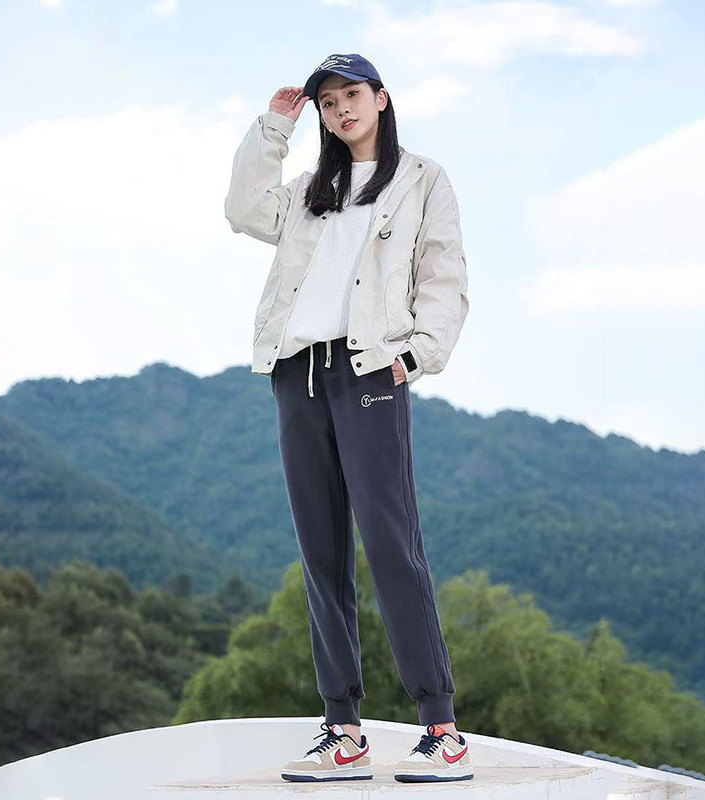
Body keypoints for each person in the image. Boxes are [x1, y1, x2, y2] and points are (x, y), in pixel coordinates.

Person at [224, 53, 473, 783]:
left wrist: (418, 354)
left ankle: (442, 730)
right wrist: (274, 128)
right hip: (296, 371)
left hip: (370, 369)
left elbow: (445, 274)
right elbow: (243, 210)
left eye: (351, 96)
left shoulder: (422, 179)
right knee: (321, 552)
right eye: (328, 103)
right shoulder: (310, 189)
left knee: (392, 544)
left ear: (381, 99)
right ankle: (344, 731)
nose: (341, 111)